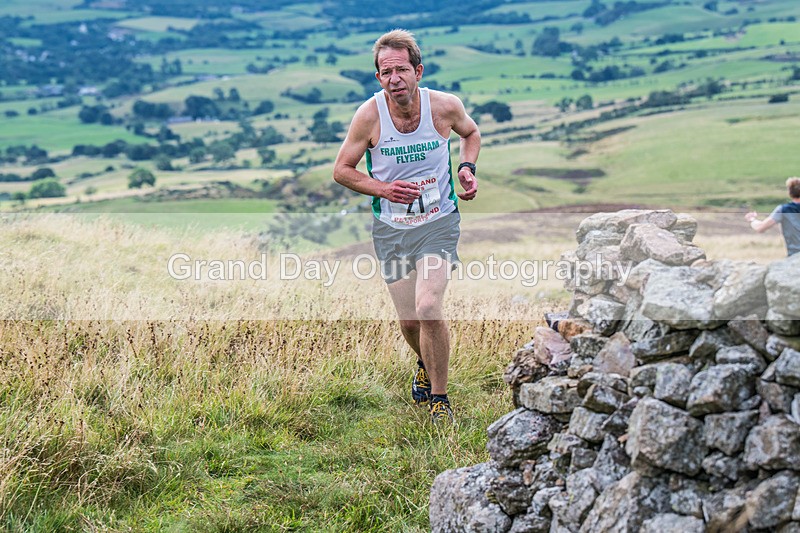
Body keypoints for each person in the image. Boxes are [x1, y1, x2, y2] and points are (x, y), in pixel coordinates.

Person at [333, 29, 480, 423]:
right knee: (410, 321)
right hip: (391, 228)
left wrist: (466, 168)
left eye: (401, 69)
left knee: (429, 306)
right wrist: (384, 188)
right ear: (378, 78)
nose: (394, 78)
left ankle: (439, 399)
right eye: (385, 72)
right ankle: (424, 362)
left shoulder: (444, 107)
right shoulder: (369, 115)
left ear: (418, 71)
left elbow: (471, 133)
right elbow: (342, 171)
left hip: (438, 222)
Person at [745, 177, 800, 256]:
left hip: (795, 258)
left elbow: (760, 228)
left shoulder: (783, 210)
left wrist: (752, 219)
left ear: (789, 192)